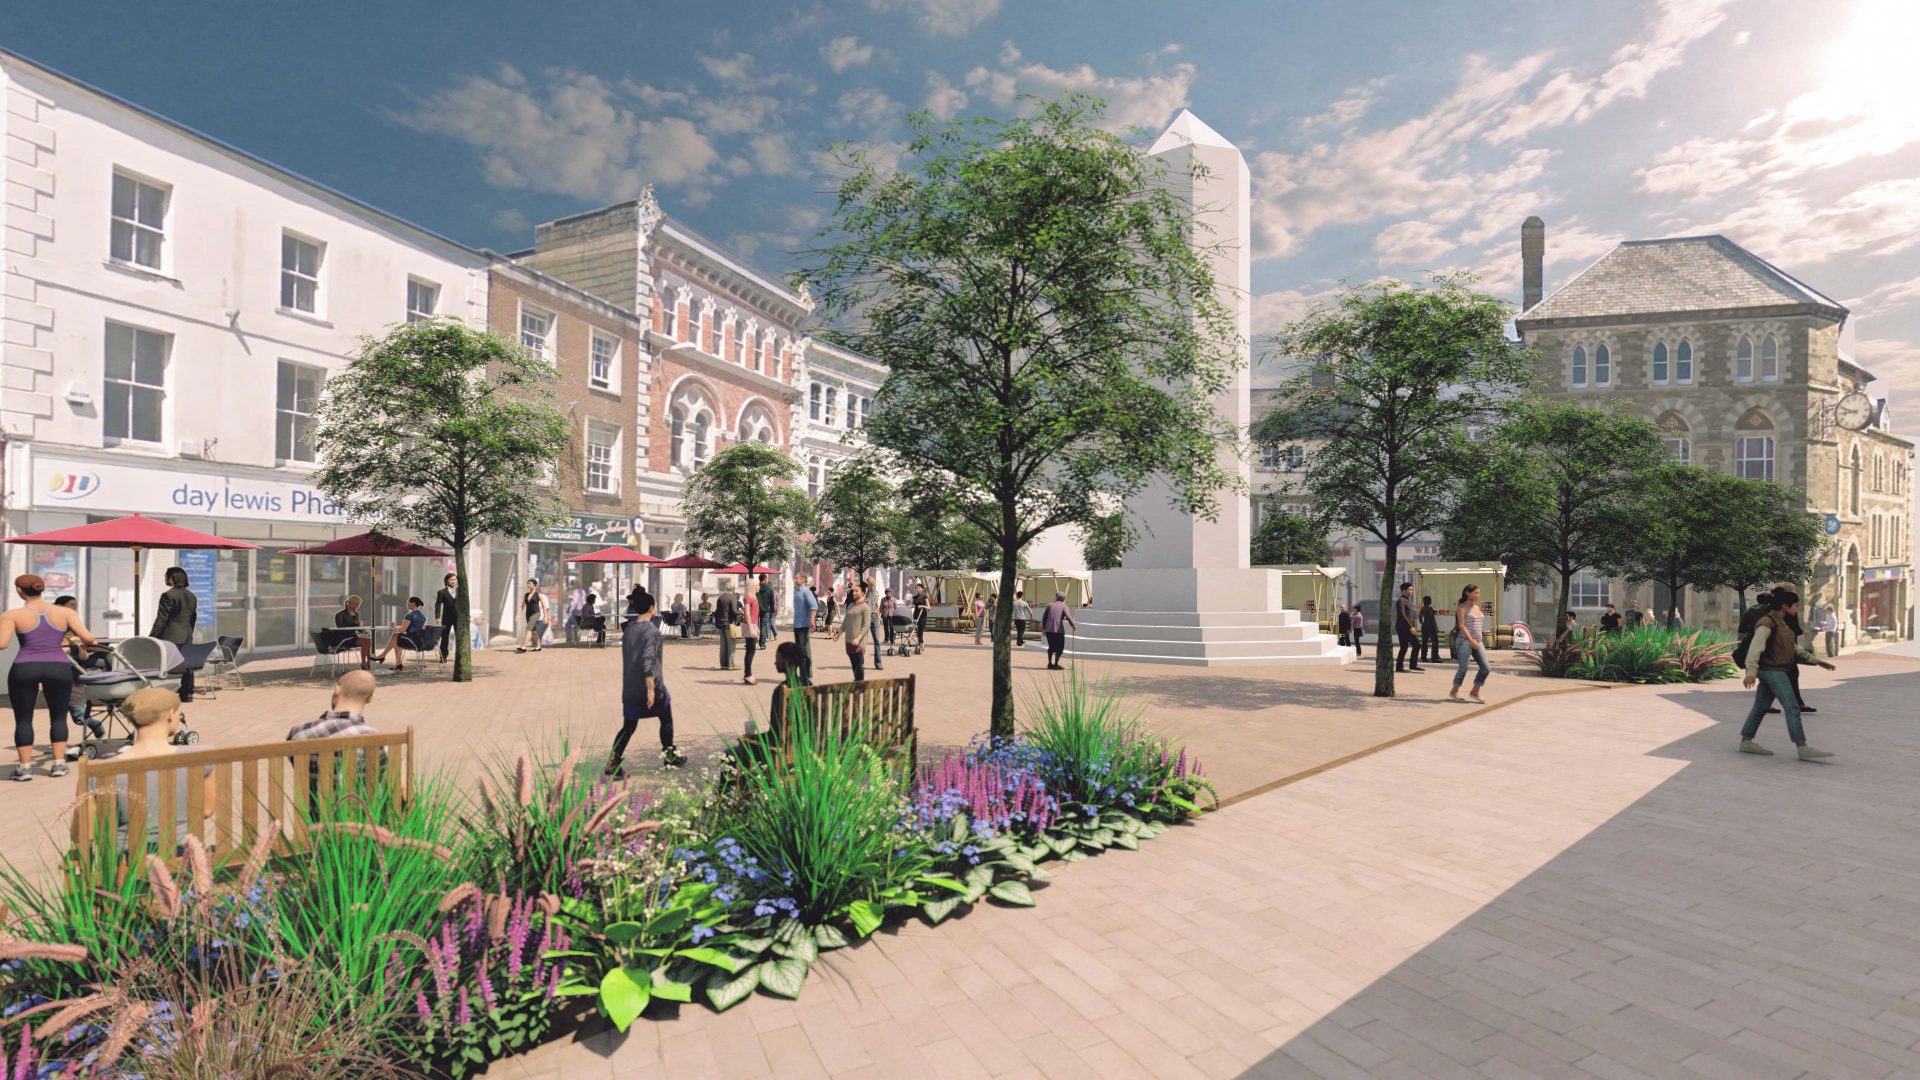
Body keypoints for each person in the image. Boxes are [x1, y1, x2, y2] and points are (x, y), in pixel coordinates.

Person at [1, 574, 95, 779]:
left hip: (24, 667)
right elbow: (89, 638)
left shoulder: (12, 614)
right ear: (42, 589)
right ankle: (59, 764)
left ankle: (25, 768)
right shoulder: (65, 613)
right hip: (58, 666)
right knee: (58, 716)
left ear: (19, 590)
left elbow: (2, 643)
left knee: (24, 719)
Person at [1739, 588, 1836, 760]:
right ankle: (1802, 747)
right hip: (1773, 671)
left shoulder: (1782, 623)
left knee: (1760, 707)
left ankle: (1746, 741)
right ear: (1785, 606)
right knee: (1792, 708)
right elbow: (1756, 647)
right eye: (1796, 605)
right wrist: (1751, 672)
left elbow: (1791, 648)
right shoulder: (1767, 622)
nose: (1797, 608)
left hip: (1775, 670)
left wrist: (1817, 661)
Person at [608, 589, 684, 775]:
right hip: (651, 686)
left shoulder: (629, 630)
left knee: (629, 726)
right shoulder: (652, 632)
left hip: (630, 688)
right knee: (666, 716)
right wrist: (650, 689)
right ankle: (669, 756)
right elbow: (647, 660)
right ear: (651, 607)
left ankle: (613, 761)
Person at [287, 670, 387, 795]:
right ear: (370, 698)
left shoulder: (298, 733)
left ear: (336, 690)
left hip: (314, 814)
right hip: (363, 813)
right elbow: (400, 788)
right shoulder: (375, 740)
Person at [150, 566, 199, 703]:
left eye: (166, 576)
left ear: (171, 578)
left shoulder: (168, 595)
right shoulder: (192, 596)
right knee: (186, 664)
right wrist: (189, 632)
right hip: (186, 634)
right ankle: (187, 693)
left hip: (170, 636)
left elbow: (162, 619)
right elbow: (193, 618)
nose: (165, 578)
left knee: (166, 664)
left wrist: (152, 637)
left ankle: (165, 692)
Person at [1450, 584, 1492, 703]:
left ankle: (1475, 691)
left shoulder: (1477, 607)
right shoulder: (1462, 608)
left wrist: (1476, 640)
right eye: (1475, 593)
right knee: (1464, 668)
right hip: (1465, 641)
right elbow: (1461, 626)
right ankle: (1454, 690)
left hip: (1478, 641)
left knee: (1486, 668)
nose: (1478, 595)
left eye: (1478, 593)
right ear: (1467, 593)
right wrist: (1471, 640)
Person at [373, 596, 428, 671]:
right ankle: (398, 664)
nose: (406, 604)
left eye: (408, 603)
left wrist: (393, 627)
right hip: (419, 641)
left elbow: (402, 631)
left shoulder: (410, 615)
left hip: (411, 642)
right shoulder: (423, 617)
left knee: (396, 636)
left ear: (413, 603)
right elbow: (416, 629)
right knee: (397, 638)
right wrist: (396, 628)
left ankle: (383, 655)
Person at [832, 585, 873, 681]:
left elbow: (866, 626)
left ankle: (860, 687)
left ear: (863, 593)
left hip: (859, 642)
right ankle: (857, 686)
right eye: (853, 591)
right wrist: (838, 635)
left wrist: (858, 638)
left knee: (858, 667)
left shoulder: (865, 607)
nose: (854, 592)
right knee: (854, 667)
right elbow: (845, 622)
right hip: (849, 640)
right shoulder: (850, 605)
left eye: (857, 591)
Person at [790, 573, 818, 679]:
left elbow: (814, 606)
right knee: (800, 651)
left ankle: (805, 675)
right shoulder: (797, 591)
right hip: (797, 625)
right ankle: (805, 674)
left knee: (804, 651)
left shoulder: (806, 592)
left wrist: (811, 621)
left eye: (797, 578)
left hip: (803, 625)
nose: (795, 579)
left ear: (803, 580)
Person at [1041, 591, 1075, 670]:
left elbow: (1044, 617)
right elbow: (1069, 617)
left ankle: (1050, 663)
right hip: (1058, 630)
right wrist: (1073, 625)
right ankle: (1056, 664)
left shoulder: (1050, 605)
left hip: (1048, 630)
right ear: (1064, 599)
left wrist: (1043, 629)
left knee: (1051, 647)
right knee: (1059, 648)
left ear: (1056, 597)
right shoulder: (1064, 606)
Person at [714, 582, 742, 671]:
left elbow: (717, 611)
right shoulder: (732, 598)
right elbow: (734, 611)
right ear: (733, 589)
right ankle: (731, 664)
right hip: (729, 623)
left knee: (723, 645)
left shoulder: (720, 597)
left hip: (720, 624)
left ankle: (723, 665)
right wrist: (740, 612)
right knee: (731, 645)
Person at [1395, 582, 1422, 673]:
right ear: (1404, 590)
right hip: (1403, 627)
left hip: (1407, 627)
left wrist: (1413, 626)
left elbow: (1410, 615)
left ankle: (1413, 665)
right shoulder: (1401, 600)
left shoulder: (1408, 600)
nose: (1412, 591)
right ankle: (1399, 667)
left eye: (1412, 589)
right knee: (1406, 646)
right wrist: (1411, 627)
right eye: (1410, 589)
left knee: (1415, 645)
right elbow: (1402, 615)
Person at [515, 579, 547, 653]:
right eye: (528, 584)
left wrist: (545, 616)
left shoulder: (538, 595)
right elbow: (522, 606)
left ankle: (524, 646)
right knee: (534, 631)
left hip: (536, 614)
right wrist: (517, 615)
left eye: (530, 584)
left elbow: (544, 606)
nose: (528, 585)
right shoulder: (526, 595)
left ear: (535, 585)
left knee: (528, 628)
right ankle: (538, 646)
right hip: (528, 614)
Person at [434, 573, 459, 662]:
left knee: (459, 637)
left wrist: (467, 616)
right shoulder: (442, 592)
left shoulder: (460, 591)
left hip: (458, 618)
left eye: (454, 579)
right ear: (447, 581)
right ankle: (443, 656)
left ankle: (459, 656)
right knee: (445, 637)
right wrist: (437, 617)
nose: (453, 581)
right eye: (451, 579)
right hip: (446, 618)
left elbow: (464, 605)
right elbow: (437, 605)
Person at [740, 585, 762, 686]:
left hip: (753, 624)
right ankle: (747, 675)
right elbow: (747, 614)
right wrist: (751, 629)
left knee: (751, 651)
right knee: (750, 651)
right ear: (752, 586)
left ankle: (748, 675)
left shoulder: (753, 597)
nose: (759, 586)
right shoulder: (748, 597)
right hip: (750, 625)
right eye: (757, 585)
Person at [862, 578, 885, 672]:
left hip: (874, 617)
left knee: (877, 641)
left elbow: (877, 605)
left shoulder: (876, 593)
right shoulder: (862, 592)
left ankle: (878, 663)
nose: (872, 586)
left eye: (873, 585)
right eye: (870, 585)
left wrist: (879, 619)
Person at [756, 573, 778, 644]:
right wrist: (772, 610)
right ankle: (762, 643)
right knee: (763, 626)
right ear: (765, 579)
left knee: (755, 624)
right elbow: (772, 602)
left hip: (756, 609)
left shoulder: (756, 588)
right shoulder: (770, 589)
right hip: (765, 610)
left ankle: (752, 641)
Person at [1419, 595, 1441, 664]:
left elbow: (1420, 619)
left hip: (1424, 627)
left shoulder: (1422, 608)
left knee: (1424, 642)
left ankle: (1423, 657)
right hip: (1431, 627)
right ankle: (1434, 658)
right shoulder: (1430, 608)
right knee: (1435, 642)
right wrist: (1436, 628)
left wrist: (1423, 623)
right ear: (1429, 601)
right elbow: (1432, 619)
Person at [565, 579, 587, 646]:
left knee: (568, 624)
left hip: (576, 611)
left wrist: (570, 611)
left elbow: (574, 603)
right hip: (581, 610)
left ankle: (569, 639)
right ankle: (577, 639)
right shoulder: (583, 591)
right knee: (577, 625)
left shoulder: (575, 592)